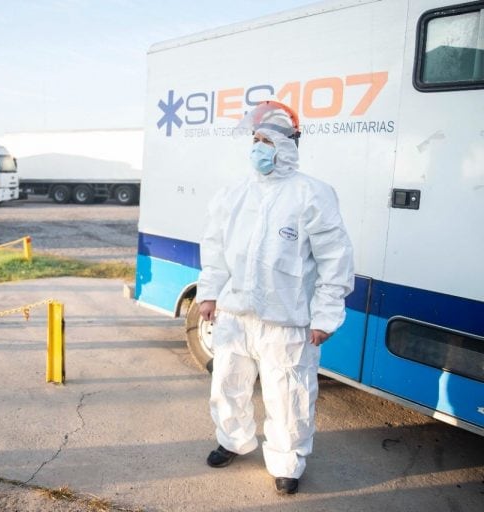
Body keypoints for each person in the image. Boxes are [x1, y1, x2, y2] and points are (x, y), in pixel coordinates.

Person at [196, 101, 354, 496]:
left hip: (287, 320)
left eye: (265, 140)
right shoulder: (234, 193)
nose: (258, 147)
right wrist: (210, 294)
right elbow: (215, 248)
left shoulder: (312, 194)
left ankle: (287, 462)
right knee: (228, 385)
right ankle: (232, 439)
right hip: (235, 314)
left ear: (286, 146)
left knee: (289, 395)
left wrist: (325, 316)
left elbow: (335, 259)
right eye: (254, 139)